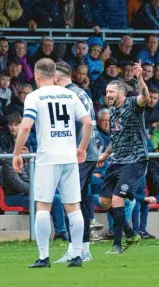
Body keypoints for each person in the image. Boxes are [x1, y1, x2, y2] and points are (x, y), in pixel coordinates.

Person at [12, 58, 93, 268]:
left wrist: (16, 153)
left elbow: (25, 126)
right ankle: (77, 255)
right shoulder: (69, 94)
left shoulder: (34, 96)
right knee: (73, 207)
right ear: (55, 75)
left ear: (37, 75)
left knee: (42, 207)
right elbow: (87, 122)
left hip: (48, 158)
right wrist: (82, 147)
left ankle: (43, 257)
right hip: (69, 157)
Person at [96, 60, 150, 254]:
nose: (108, 95)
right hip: (117, 160)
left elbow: (145, 97)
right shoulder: (112, 111)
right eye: (107, 92)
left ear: (121, 93)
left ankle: (117, 245)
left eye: (111, 92)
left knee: (118, 200)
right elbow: (115, 137)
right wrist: (105, 153)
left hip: (135, 160)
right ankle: (130, 233)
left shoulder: (132, 103)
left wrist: (140, 78)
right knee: (104, 201)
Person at [53, 61, 97, 263]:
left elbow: (73, 126)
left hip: (78, 154)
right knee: (84, 201)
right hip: (89, 152)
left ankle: (74, 249)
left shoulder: (67, 95)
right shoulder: (82, 92)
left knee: (71, 201)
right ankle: (84, 249)